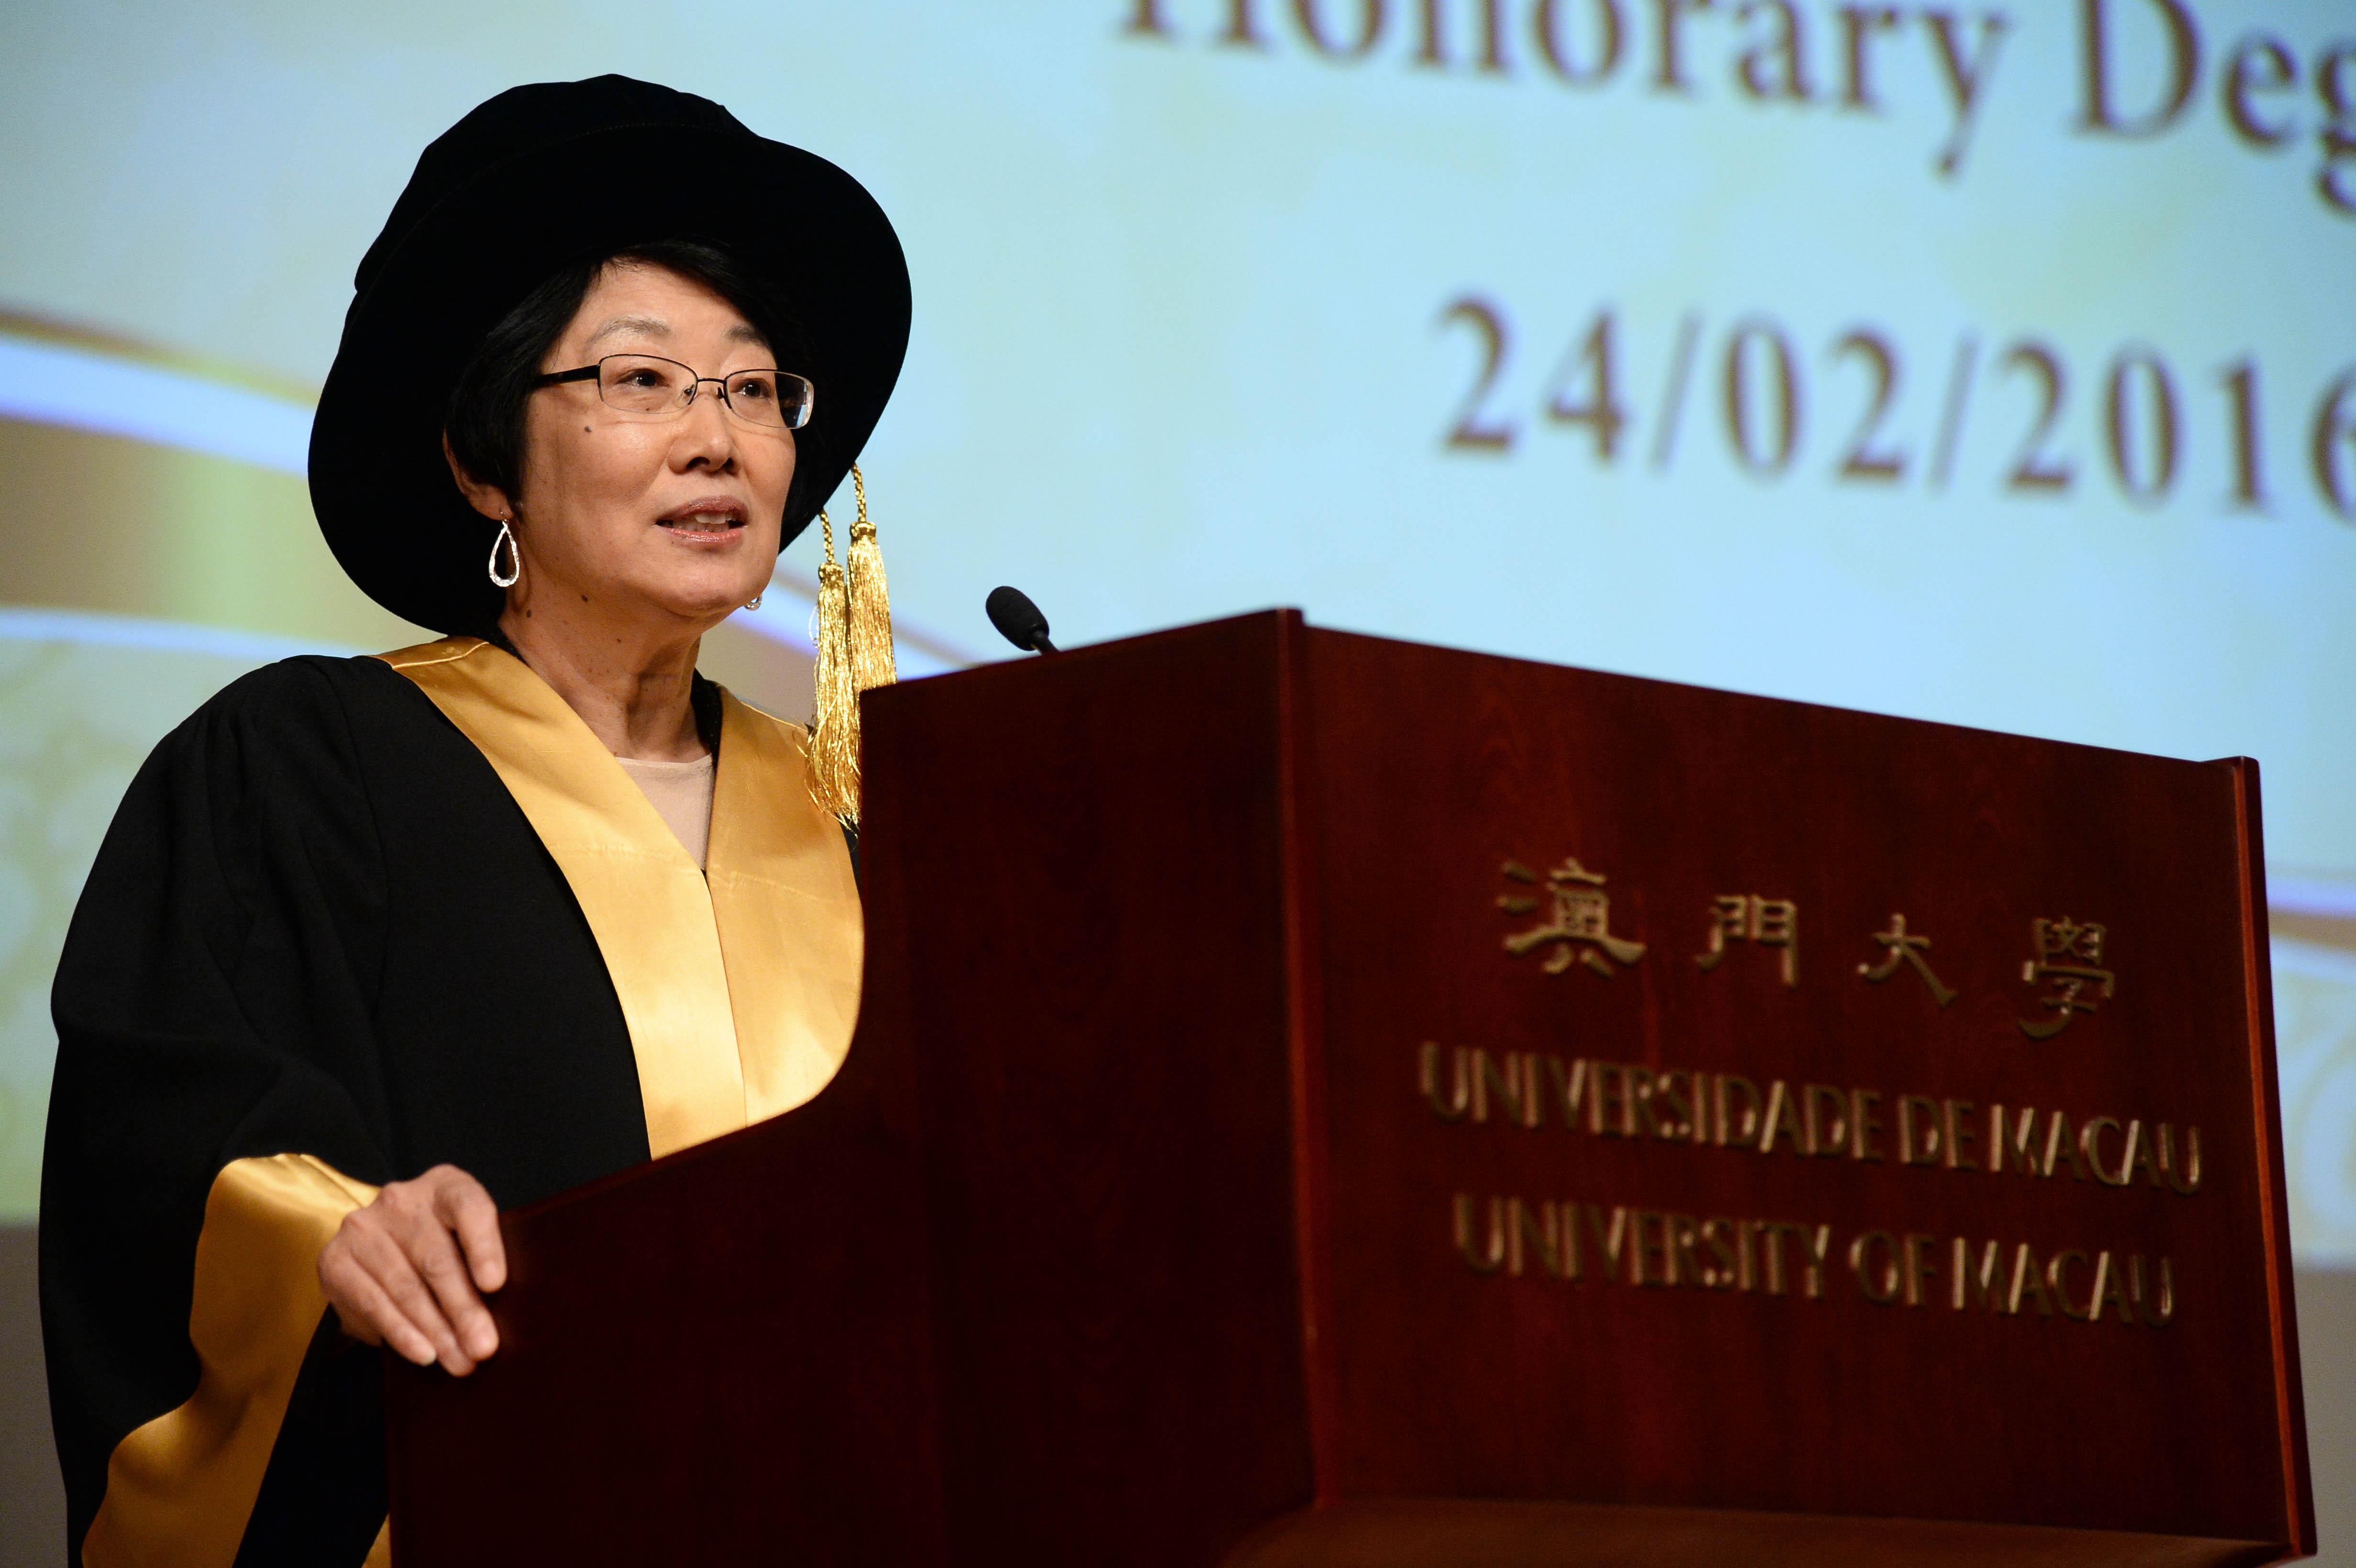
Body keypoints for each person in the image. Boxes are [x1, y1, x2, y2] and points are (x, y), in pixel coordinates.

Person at [39, 76, 911, 1567]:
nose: (720, 440)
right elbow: (164, 1142)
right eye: (642, 380)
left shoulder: (872, 822)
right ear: (482, 461)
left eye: (756, 388)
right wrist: (329, 1231)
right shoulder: (307, 768)